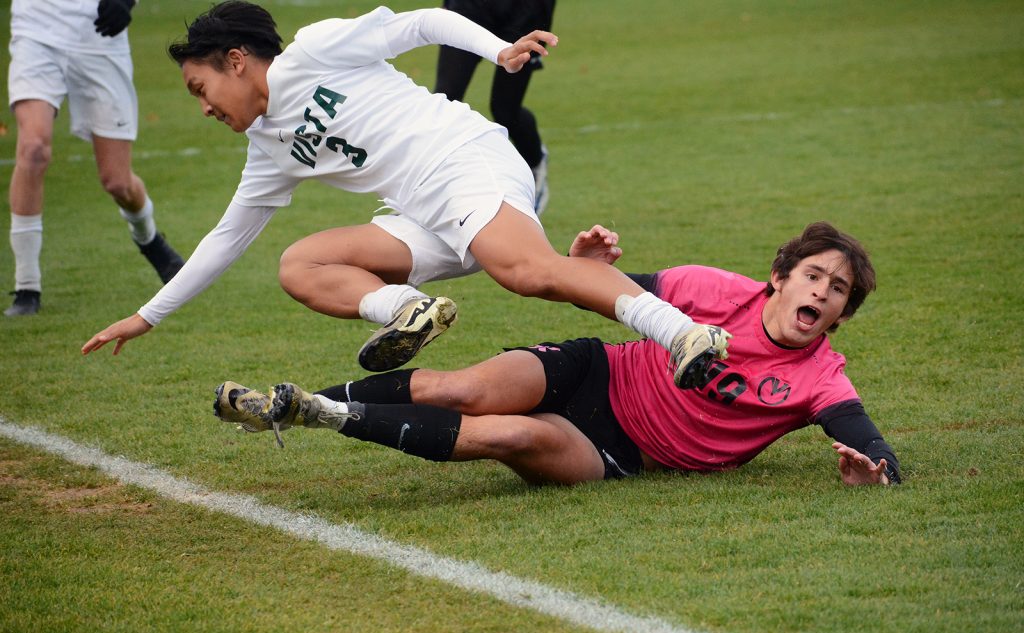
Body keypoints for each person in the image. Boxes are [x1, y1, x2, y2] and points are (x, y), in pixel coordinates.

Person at [80, 1, 729, 390]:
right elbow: (226, 239)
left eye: (200, 89)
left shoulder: (314, 51)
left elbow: (419, 23)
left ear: (237, 60)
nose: (203, 108)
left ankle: (682, 333)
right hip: (424, 213)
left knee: (526, 273)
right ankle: (411, 311)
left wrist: (497, 49)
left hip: (464, 160)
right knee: (300, 264)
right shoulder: (269, 151)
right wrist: (149, 316)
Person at [212, 222, 902, 487]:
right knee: (460, 389)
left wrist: (874, 473)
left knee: (507, 433)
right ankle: (286, 400)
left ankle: (317, 413)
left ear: (842, 312)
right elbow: (602, 291)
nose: (822, 292)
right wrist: (583, 265)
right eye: (814, 275)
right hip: (597, 368)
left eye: (838, 290)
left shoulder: (820, 378)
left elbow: (876, 451)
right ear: (780, 277)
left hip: (623, 451)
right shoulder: (714, 291)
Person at [5, 0, 185, 317]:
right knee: (33, 148)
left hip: (98, 30)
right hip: (36, 25)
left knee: (117, 181)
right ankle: (26, 286)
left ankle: (151, 240)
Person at [434, 0, 556, 214]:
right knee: (444, 101)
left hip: (525, 9)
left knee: (505, 111)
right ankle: (424, 194)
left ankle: (535, 162)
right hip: (470, 6)